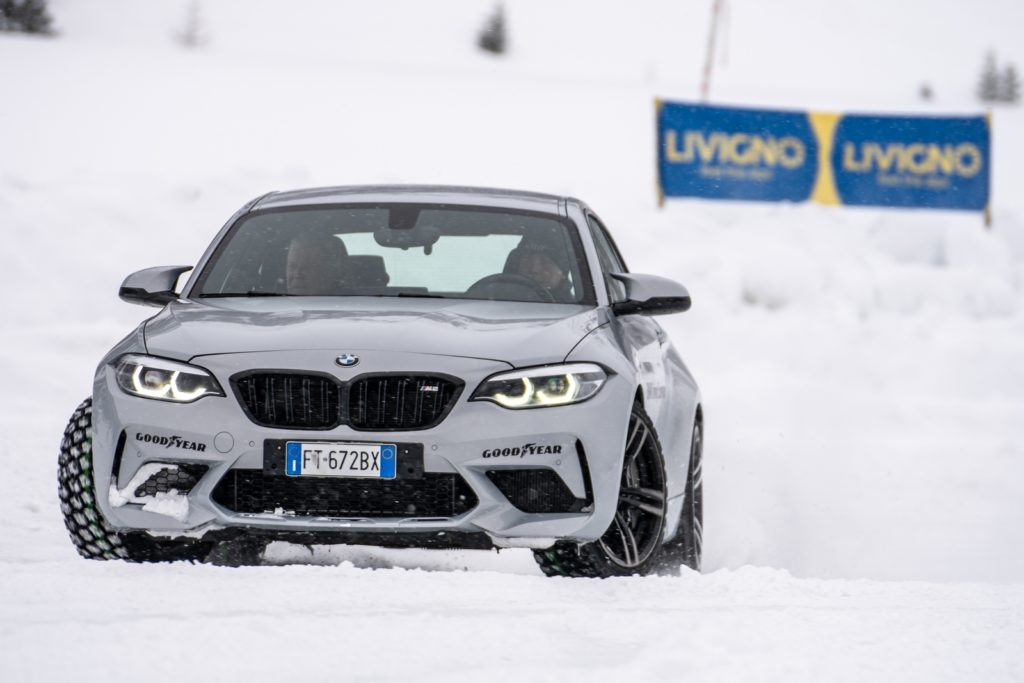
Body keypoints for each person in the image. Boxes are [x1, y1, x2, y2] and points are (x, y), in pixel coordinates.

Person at [506, 241, 574, 301]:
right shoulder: (498, 298)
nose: (534, 270)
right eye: (527, 260)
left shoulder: (575, 312)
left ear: (563, 273)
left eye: (545, 262)